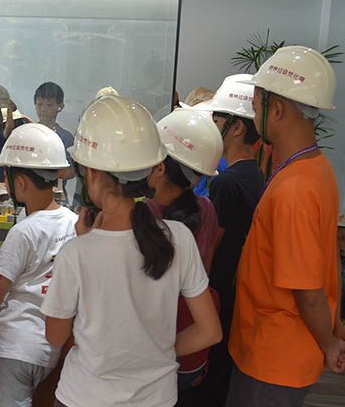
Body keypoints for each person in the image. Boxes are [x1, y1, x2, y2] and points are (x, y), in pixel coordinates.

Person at [41, 95, 222, 407]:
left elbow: (55, 336)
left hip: (84, 398)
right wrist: (155, 353)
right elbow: (210, 332)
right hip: (157, 398)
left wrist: (86, 246)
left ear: (91, 173)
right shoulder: (179, 238)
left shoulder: (77, 252)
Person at [227, 46, 345, 406]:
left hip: (273, 358)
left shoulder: (295, 189)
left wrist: (330, 343)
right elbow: (327, 260)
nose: (252, 115)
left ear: (276, 110)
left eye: (255, 105)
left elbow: (308, 291)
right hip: (283, 349)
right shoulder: (317, 168)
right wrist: (334, 328)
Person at [0, 123, 77, 407]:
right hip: (49, 350)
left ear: (20, 183)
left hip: (11, 348)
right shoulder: (73, 223)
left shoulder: (24, 232)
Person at [193, 74, 262, 407]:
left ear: (236, 128)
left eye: (217, 120)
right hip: (238, 296)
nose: (212, 126)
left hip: (220, 293)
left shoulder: (227, 183)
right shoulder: (255, 174)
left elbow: (211, 247)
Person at [147, 108, 223, 404]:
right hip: (191, 341)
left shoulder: (142, 215)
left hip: (151, 344)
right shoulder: (207, 210)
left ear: (160, 165)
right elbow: (205, 272)